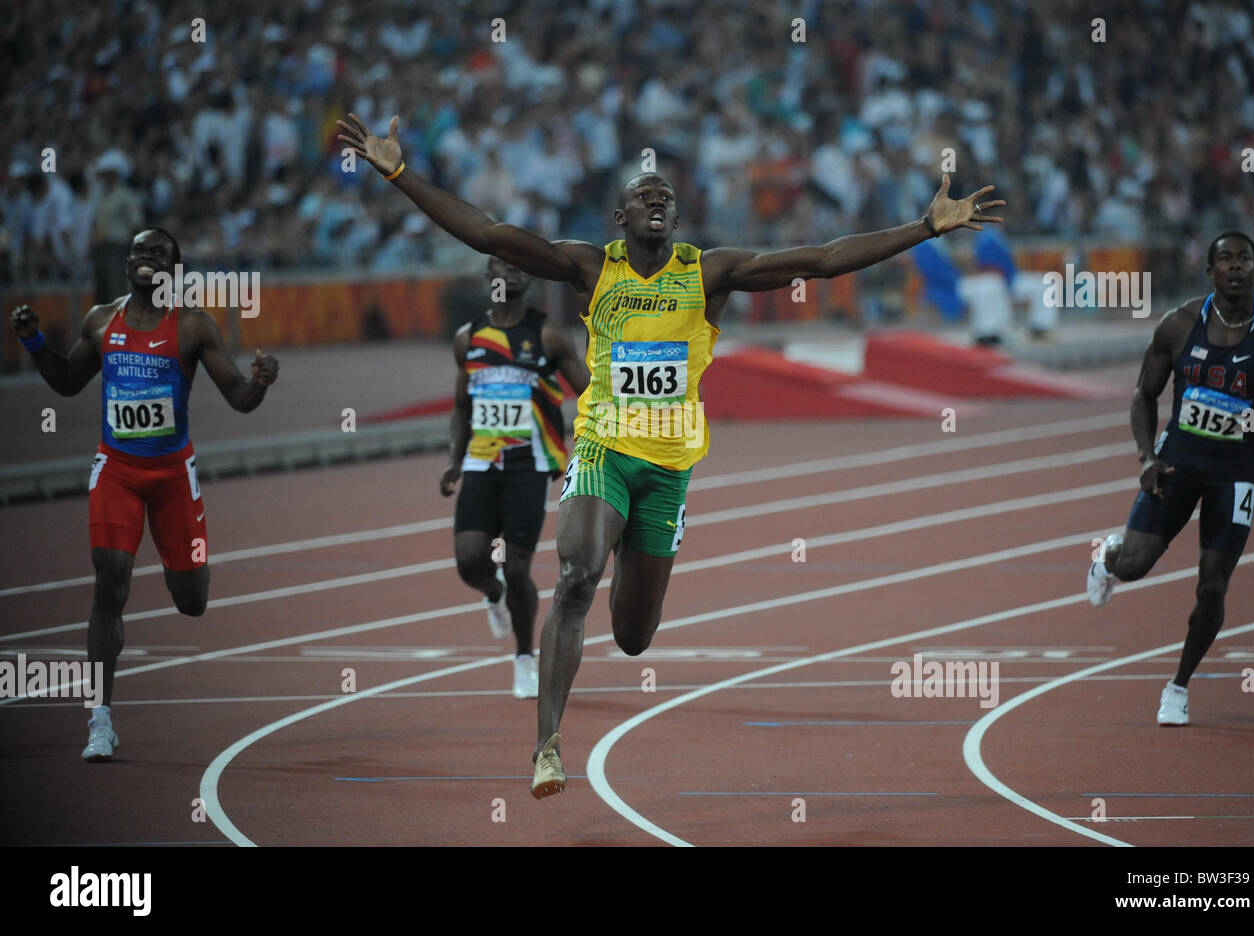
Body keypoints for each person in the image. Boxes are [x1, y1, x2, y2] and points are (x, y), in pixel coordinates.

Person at [336, 113, 1003, 798]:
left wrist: (923, 228)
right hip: (602, 448)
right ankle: (547, 747)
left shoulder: (710, 273)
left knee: (632, 637)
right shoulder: (587, 266)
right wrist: (396, 171)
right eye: (645, 194)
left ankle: (650, 542)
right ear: (619, 214)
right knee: (574, 577)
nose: (659, 201)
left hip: (668, 468)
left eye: (668, 199)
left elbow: (820, 258)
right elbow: (487, 233)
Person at [8, 228, 279, 760]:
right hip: (118, 471)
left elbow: (240, 399)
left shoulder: (193, 326)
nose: (146, 258)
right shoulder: (101, 320)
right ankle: (100, 719)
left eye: (159, 253)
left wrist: (262, 381)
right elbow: (67, 383)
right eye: (139, 251)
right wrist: (34, 341)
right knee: (109, 580)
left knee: (192, 601)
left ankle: (182, 561)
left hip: (174, 476)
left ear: (175, 270)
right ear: (128, 263)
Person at [1087, 232, 1254, 724]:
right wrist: (1145, 457)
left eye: (1244, 258)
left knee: (1212, 588)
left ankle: (1178, 688)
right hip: (1176, 462)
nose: (1235, 267)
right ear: (1210, 271)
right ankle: (1107, 557)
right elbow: (1143, 394)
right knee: (1135, 564)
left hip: (1235, 474)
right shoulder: (1179, 325)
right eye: (1224, 259)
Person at [439, 255, 589, 699]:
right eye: (503, 267)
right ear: (489, 278)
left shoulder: (546, 335)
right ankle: (492, 592)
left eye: (521, 268)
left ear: (531, 280)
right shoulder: (468, 339)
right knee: (470, 561)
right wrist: (454, 459)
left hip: (530, 464)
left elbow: (590, 390)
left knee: (518, 564)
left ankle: (524, 657)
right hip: (481, 462)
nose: (512, 274)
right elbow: (461, 407)